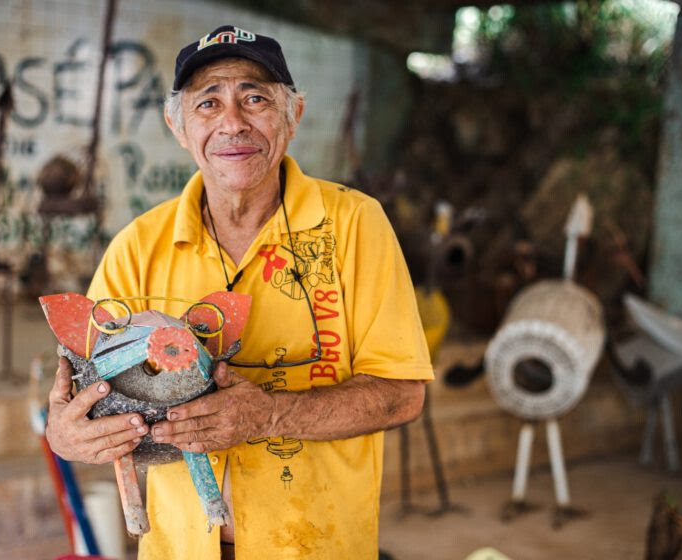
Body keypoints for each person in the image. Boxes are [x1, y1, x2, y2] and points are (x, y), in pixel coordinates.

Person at [45, 24, 434, 560]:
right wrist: (67, 436)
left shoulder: (354, 224)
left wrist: (268, 415)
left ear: (292, 116)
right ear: (178, 126)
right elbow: (80, 389)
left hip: (316, 545)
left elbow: (403, 394)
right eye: (208, 103)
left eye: (255, 98)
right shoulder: (137, 245)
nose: (233, 123)